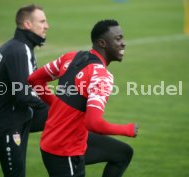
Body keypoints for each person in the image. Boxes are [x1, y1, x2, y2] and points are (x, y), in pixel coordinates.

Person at [28, 19, 139, 177]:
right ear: (102, 43)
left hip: (56, 141)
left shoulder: (70, 57)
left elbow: (34, 80)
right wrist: (126, 129)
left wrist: (56, 106)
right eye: (118, 39)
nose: (123, 43)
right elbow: (93, 123)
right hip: (64, 151)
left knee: (122, 153)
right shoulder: (101, 77)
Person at [0, 4, 49, 177]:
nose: (47, 26)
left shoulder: (15, 46)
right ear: (28, 24)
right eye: (42, 21)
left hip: (17, 115)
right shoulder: (20, 51)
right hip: (7, 124)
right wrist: (54, 104)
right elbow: (23, 94)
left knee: (67, 113)